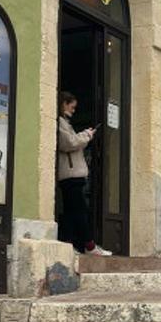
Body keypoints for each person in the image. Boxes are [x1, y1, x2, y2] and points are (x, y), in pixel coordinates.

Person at [57, 91, 111, 256]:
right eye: (72, 107)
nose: (73, 110)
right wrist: (87, 135)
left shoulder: (65, 123)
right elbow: (69, 143)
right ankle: (89, 246)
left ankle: (68, 245)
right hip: (70, 175)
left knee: (71, 212)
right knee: (80, 212)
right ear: (64, 104)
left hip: (72, 174)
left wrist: (83, 136)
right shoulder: (59, 122)